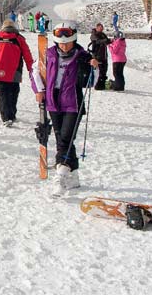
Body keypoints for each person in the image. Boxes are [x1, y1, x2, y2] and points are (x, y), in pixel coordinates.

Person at [33, 22, 99, 195]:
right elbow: (35, 72)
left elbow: (91, 82)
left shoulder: (82, 56)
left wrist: (95, 68)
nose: (64, 45)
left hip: (73, 102)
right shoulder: (49, 54)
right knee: (62, 138)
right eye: (61, 42)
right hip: (53, 101)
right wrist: (39, 90)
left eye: (67, 42)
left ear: (74, 39)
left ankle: (60, 175)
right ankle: (74, 175)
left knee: (65, 138)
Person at [0, 19, 33, 127]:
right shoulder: (19, 38)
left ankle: (5, 117)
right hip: (15, 71)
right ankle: (12, 115)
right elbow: (27, 54)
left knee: (3, 94)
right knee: (14, 92)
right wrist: (31, 68)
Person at [89, 23, 110, 90]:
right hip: (97, 56)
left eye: (102, 28)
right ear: (97, 27)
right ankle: (97, 85)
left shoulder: (103, 34)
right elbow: (97, 41)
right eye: (100, 28)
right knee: (98, 71)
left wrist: (110, 41)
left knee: (104, 70)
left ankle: (102, 85)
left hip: (104, 56)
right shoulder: (94, 34)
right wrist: (105, 40)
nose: (101, 29)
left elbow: (106, 41)